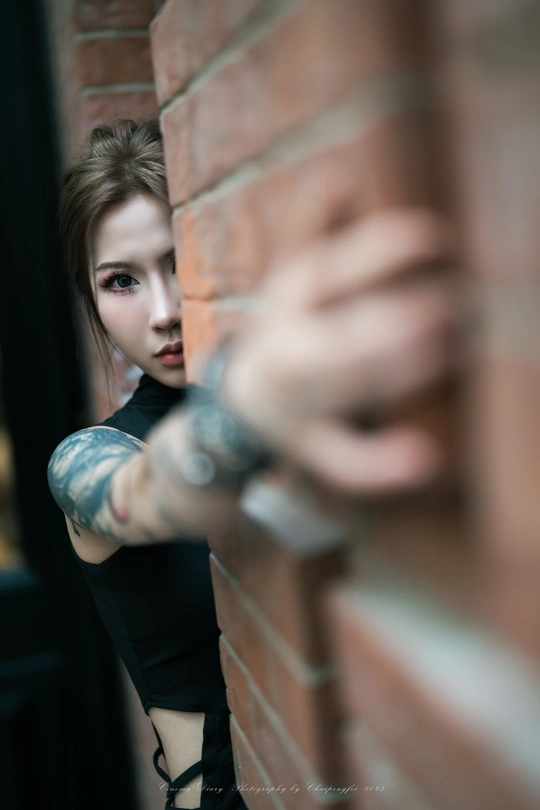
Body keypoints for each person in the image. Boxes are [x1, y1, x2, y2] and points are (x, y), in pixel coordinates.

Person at [47, 119, 457, 808]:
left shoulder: (292, 389)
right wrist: (243, 416)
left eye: (177, 262)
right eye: (121, 281)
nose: (164, 311)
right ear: (91, 300)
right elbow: (157, 491)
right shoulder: (87, 459)